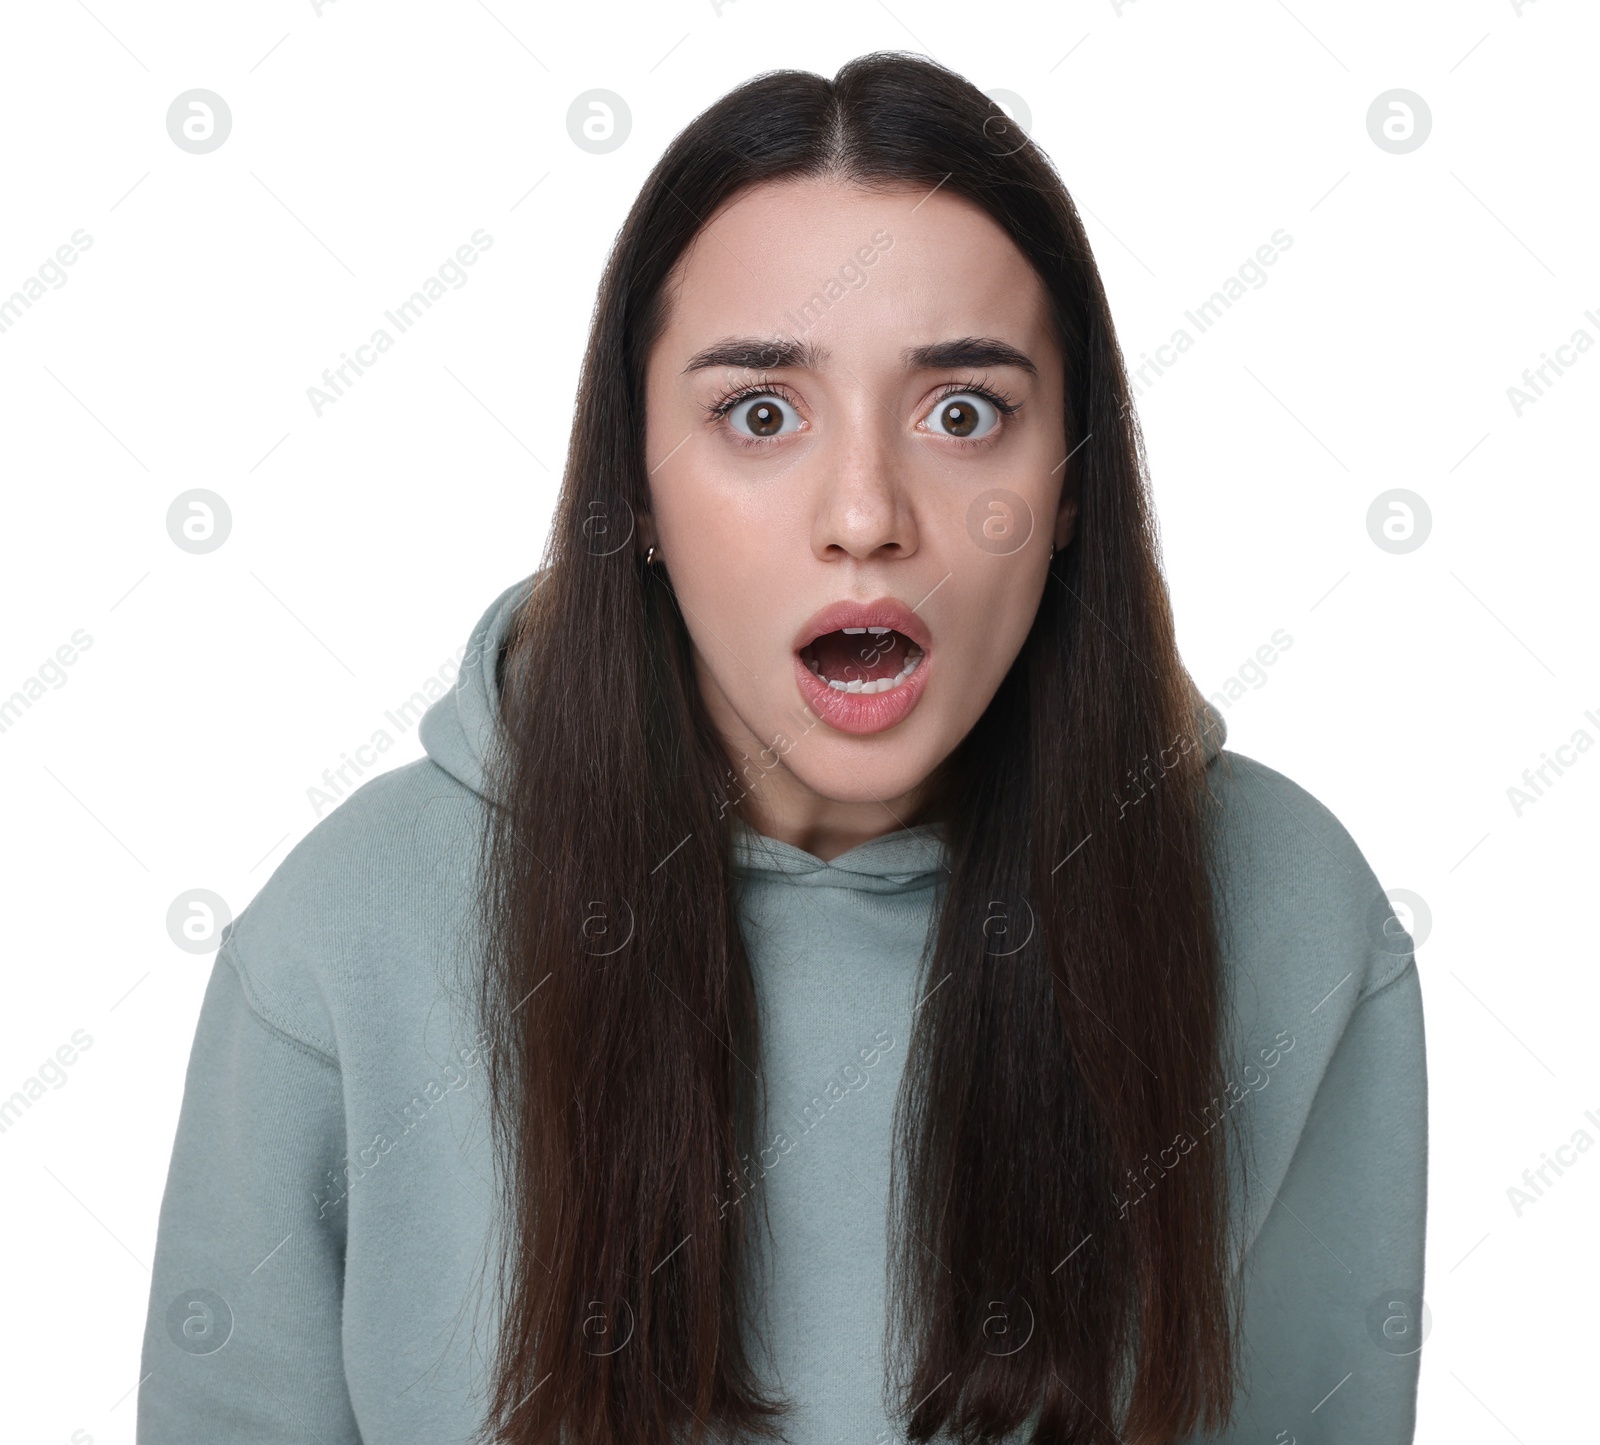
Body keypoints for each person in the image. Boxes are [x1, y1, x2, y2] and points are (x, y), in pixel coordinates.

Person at [137, 51, 1428, 1445]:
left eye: (963, 412)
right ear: (632, 485)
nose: (866, 514)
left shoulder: (1285, 913)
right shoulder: (347, 933)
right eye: (760, 414)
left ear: (1069, 488)